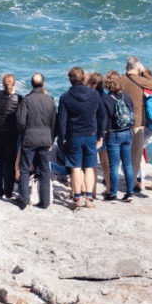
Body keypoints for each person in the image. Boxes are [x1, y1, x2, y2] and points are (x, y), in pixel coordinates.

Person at [57, 66, 108, 209]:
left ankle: (77, 198)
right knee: (90, 167)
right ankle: (89, 198)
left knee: (75, 167)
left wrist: (62, 137)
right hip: (91, 135)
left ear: (70, 79)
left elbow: (62, 120)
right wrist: (100, 135)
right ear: (83, 77)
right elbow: (102, 116)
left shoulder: (65, 97)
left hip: (73, 136)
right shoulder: (95, 95)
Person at [16, 73, 58, 209]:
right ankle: (45, 201)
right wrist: (51, 140)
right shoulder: (50, 101)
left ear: (31, 84)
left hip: (29, 138)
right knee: (45, 170)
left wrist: (25, 132)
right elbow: (54, 124)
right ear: (43, 84)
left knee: (24, 169)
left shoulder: (27, 100)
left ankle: (23, 200)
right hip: (45, 139)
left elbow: (20, 121)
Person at [120, 57, 152, 196]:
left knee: (123, 152)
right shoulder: (139, 79)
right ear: (137, 67)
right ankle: (133, 182)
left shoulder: (121, 79)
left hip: (122, 122)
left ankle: (119, 177)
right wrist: (145, 72)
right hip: (137, 123)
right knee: (135, 155)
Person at [101, 71, 135, 202]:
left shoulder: (105, 99)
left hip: (113, 134)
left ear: (107, 84)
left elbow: (104, 120)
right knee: (127, 164)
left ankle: (113, 194)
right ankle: (130, 192)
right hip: (127, 132)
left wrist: (102, 134)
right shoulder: (127, 96)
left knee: (114, 165)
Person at [0, 74, 21, 200]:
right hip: (11, 136)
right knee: (9, 163)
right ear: (14, 83)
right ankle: (8, 192)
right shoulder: (19, 98)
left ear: (3, 83)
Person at [85, 71, 109, 198]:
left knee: (92, 162)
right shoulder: (105, 96)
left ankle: (92, 191)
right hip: (104, 132)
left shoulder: (90, 96)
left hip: (92, 132)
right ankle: (109, 188)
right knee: (105, 162)